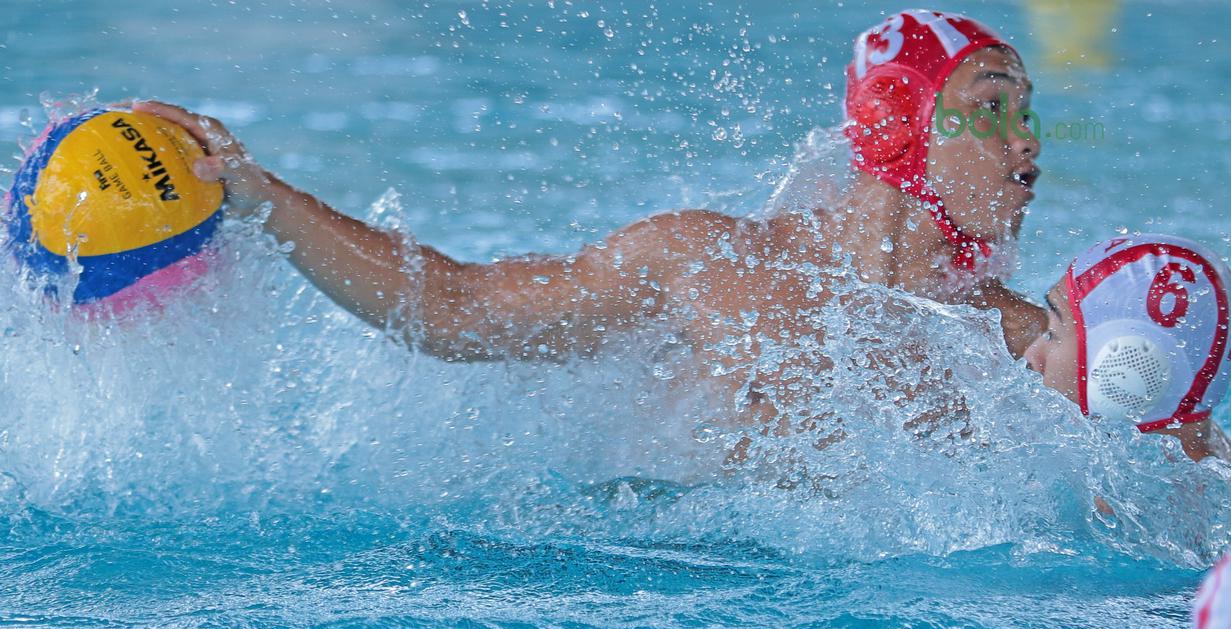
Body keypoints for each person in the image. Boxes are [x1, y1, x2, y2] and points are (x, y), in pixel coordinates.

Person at [134, 9, 1045, 428]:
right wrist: (265, 198)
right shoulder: (707, 265)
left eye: (1030, 112)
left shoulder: (1018, 343)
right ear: (895, 124)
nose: (1028, 146)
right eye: (996, 107)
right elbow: (454, 311)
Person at [1024, 234, 1231, 462]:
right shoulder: (1205, 458)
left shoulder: (1133, 494)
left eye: (1052, 334)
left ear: (1125, 363)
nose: (1031, 355)